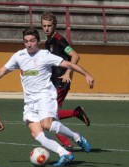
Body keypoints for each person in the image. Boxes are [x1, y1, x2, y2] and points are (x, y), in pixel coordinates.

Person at [0, 27, 93, 167]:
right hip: (29, 101)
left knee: (46, 125)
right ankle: (65, 154)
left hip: (45, 95)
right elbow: (3, 70)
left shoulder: (45, 55)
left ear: (38, 41)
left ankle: (76, 137)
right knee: (37, 134)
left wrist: (86, 74)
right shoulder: (19, 56)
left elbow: (68, 63)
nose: (29, 44)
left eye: (32, 41)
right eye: (26, 41)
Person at [41, 11, 91, 150]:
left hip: (60, 81)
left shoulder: (59, 39)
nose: (46, 28)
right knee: (51, 116)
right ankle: (67, 143)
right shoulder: (48, 42)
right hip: (52, 81)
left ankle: (76, 114)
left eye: (49, 25)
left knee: (50, 116)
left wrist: (68, 72)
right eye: (44, 26)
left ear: (54, 25)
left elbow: (75, 56)